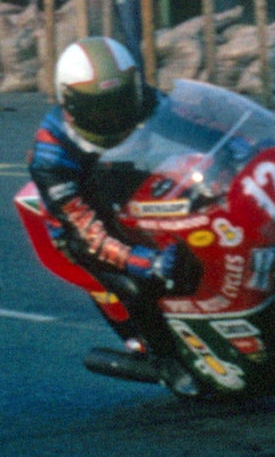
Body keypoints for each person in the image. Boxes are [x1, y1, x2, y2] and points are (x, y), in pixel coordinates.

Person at [29, 37, 200, 392]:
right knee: (136, 283)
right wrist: (142, 261)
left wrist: (246, 147)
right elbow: (86, 233)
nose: (113, 117)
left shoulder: (148, 100)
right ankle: (167, 360)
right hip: (83, 221)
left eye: (120, 103)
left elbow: (193, 130)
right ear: (70, 105)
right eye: (99, 109)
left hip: (130, 184)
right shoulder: (50, 152)